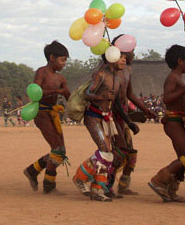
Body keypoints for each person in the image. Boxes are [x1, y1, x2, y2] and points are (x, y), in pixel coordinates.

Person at [73, 47, 126, 201]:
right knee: (104, 151)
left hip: (106, 118)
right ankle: (80, 178)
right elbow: (87, 93)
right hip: (93, 116)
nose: (124, 60)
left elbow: (116, 102)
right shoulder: (100, 74)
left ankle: (98, 189)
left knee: (108, 154)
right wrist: (101, 96)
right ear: (111, 57)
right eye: (121, 56)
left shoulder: (117, 78)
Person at [148, 45, 185, 202]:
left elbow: (179, 103)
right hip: (172, 122)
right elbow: (167, 99)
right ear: (180, 61)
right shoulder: (172, 78)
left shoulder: (179, 78)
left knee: (184, 157)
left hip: (178, 120)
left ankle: (171, 189)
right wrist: (184, 90)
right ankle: (159, 180)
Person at [108, 38, 156, 196]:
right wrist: (129, 119)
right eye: (131, 50)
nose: (133, 53)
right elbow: (115, 101)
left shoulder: (128, 70)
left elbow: (129, 94)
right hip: (113, 116)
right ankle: (106, 185)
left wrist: (145, 109)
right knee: (119, 151)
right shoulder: (111, 71)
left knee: (130, 153)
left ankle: (123, 184)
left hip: (123, 114)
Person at [23, 41, 71, 194]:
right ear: (52, 57)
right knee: (57, 149)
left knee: (60, 151)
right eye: (62, 60)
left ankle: (32, 170)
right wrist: (57, 90)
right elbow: (35, 92)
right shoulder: (41, 72)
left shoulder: (61, 78)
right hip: (41, 112)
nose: (64, 64)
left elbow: (68, 96)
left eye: (65, 60)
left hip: (53, 114)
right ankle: (49, 185)